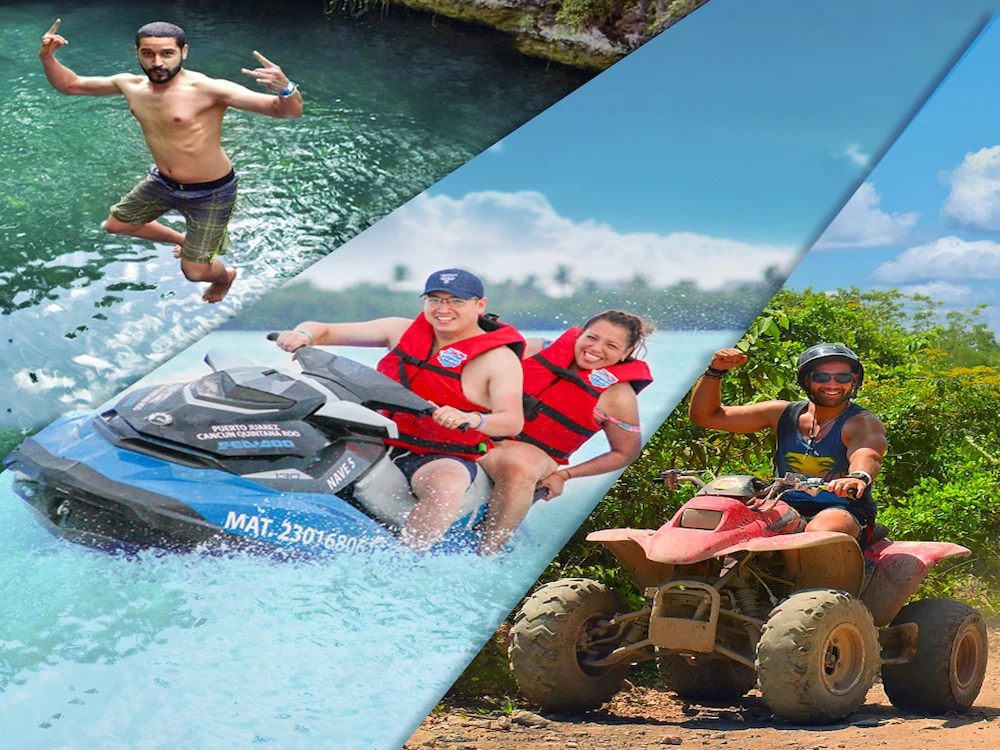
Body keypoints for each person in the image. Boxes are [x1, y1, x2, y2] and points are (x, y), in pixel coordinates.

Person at [38, 19, 304, 303]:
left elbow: (286, 112)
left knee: (195, 272)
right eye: (148, 53)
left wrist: (285, 88)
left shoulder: (209, 88)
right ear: (137, 52)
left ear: (183, 52)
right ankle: (185, 241)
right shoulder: (130, 85)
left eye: (167, 53)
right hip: (162, 182)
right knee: (116, 225)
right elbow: (71, 85)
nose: (157, 62)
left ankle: (226, 277)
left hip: (211, 190)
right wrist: (46, 56)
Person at [274, 269, 525, 553]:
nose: (443, 309)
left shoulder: (499, 360)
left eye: (455, 301)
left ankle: (405, 561)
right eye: (434, 300)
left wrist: (470, 418)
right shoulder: (399, 329)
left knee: (447, 485)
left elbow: (511, 421)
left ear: (480, 306)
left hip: (438, 454)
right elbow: (323, 330)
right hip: (372, 437)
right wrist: (302, 335)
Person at [476, 311, 654, 555]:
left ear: (626, 354)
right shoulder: (536, 350)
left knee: (520, 470)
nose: (596, 348)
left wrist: (565, 475)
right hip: (480, 432)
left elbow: (625, 452)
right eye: (592, 337)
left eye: (611, 345)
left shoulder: (618, 397)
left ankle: (488, 552)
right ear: (580, 334)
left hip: (533, 455)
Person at [688, 344, 888, 542]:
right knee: (721, 518)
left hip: (842, 510)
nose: (832, 384)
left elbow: (868, 453)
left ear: (854, 381)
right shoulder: (781, 414)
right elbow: (705, 416)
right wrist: (715, 371)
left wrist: (858, 477)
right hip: (781, 504)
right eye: (821, 377)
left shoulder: (862, 423)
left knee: (820, 530)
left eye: (843, 377)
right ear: (806, 380)